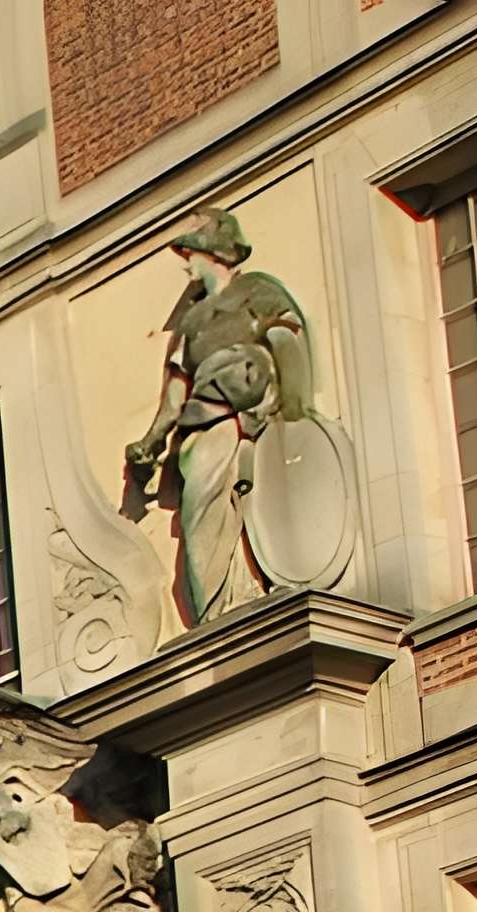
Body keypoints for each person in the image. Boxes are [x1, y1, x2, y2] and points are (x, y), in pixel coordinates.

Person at [125, 210, 312, 620]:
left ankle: (253, 586)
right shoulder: (191, 322)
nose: (186, 262)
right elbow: (174, 399)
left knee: (252, 499)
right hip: (201, 424)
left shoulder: (258, 291)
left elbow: (288, 339)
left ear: (212, 252)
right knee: (199, 511)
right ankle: (216, 610)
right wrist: (150, 442)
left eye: (190, 251)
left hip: (247, 415)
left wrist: (289, 404)